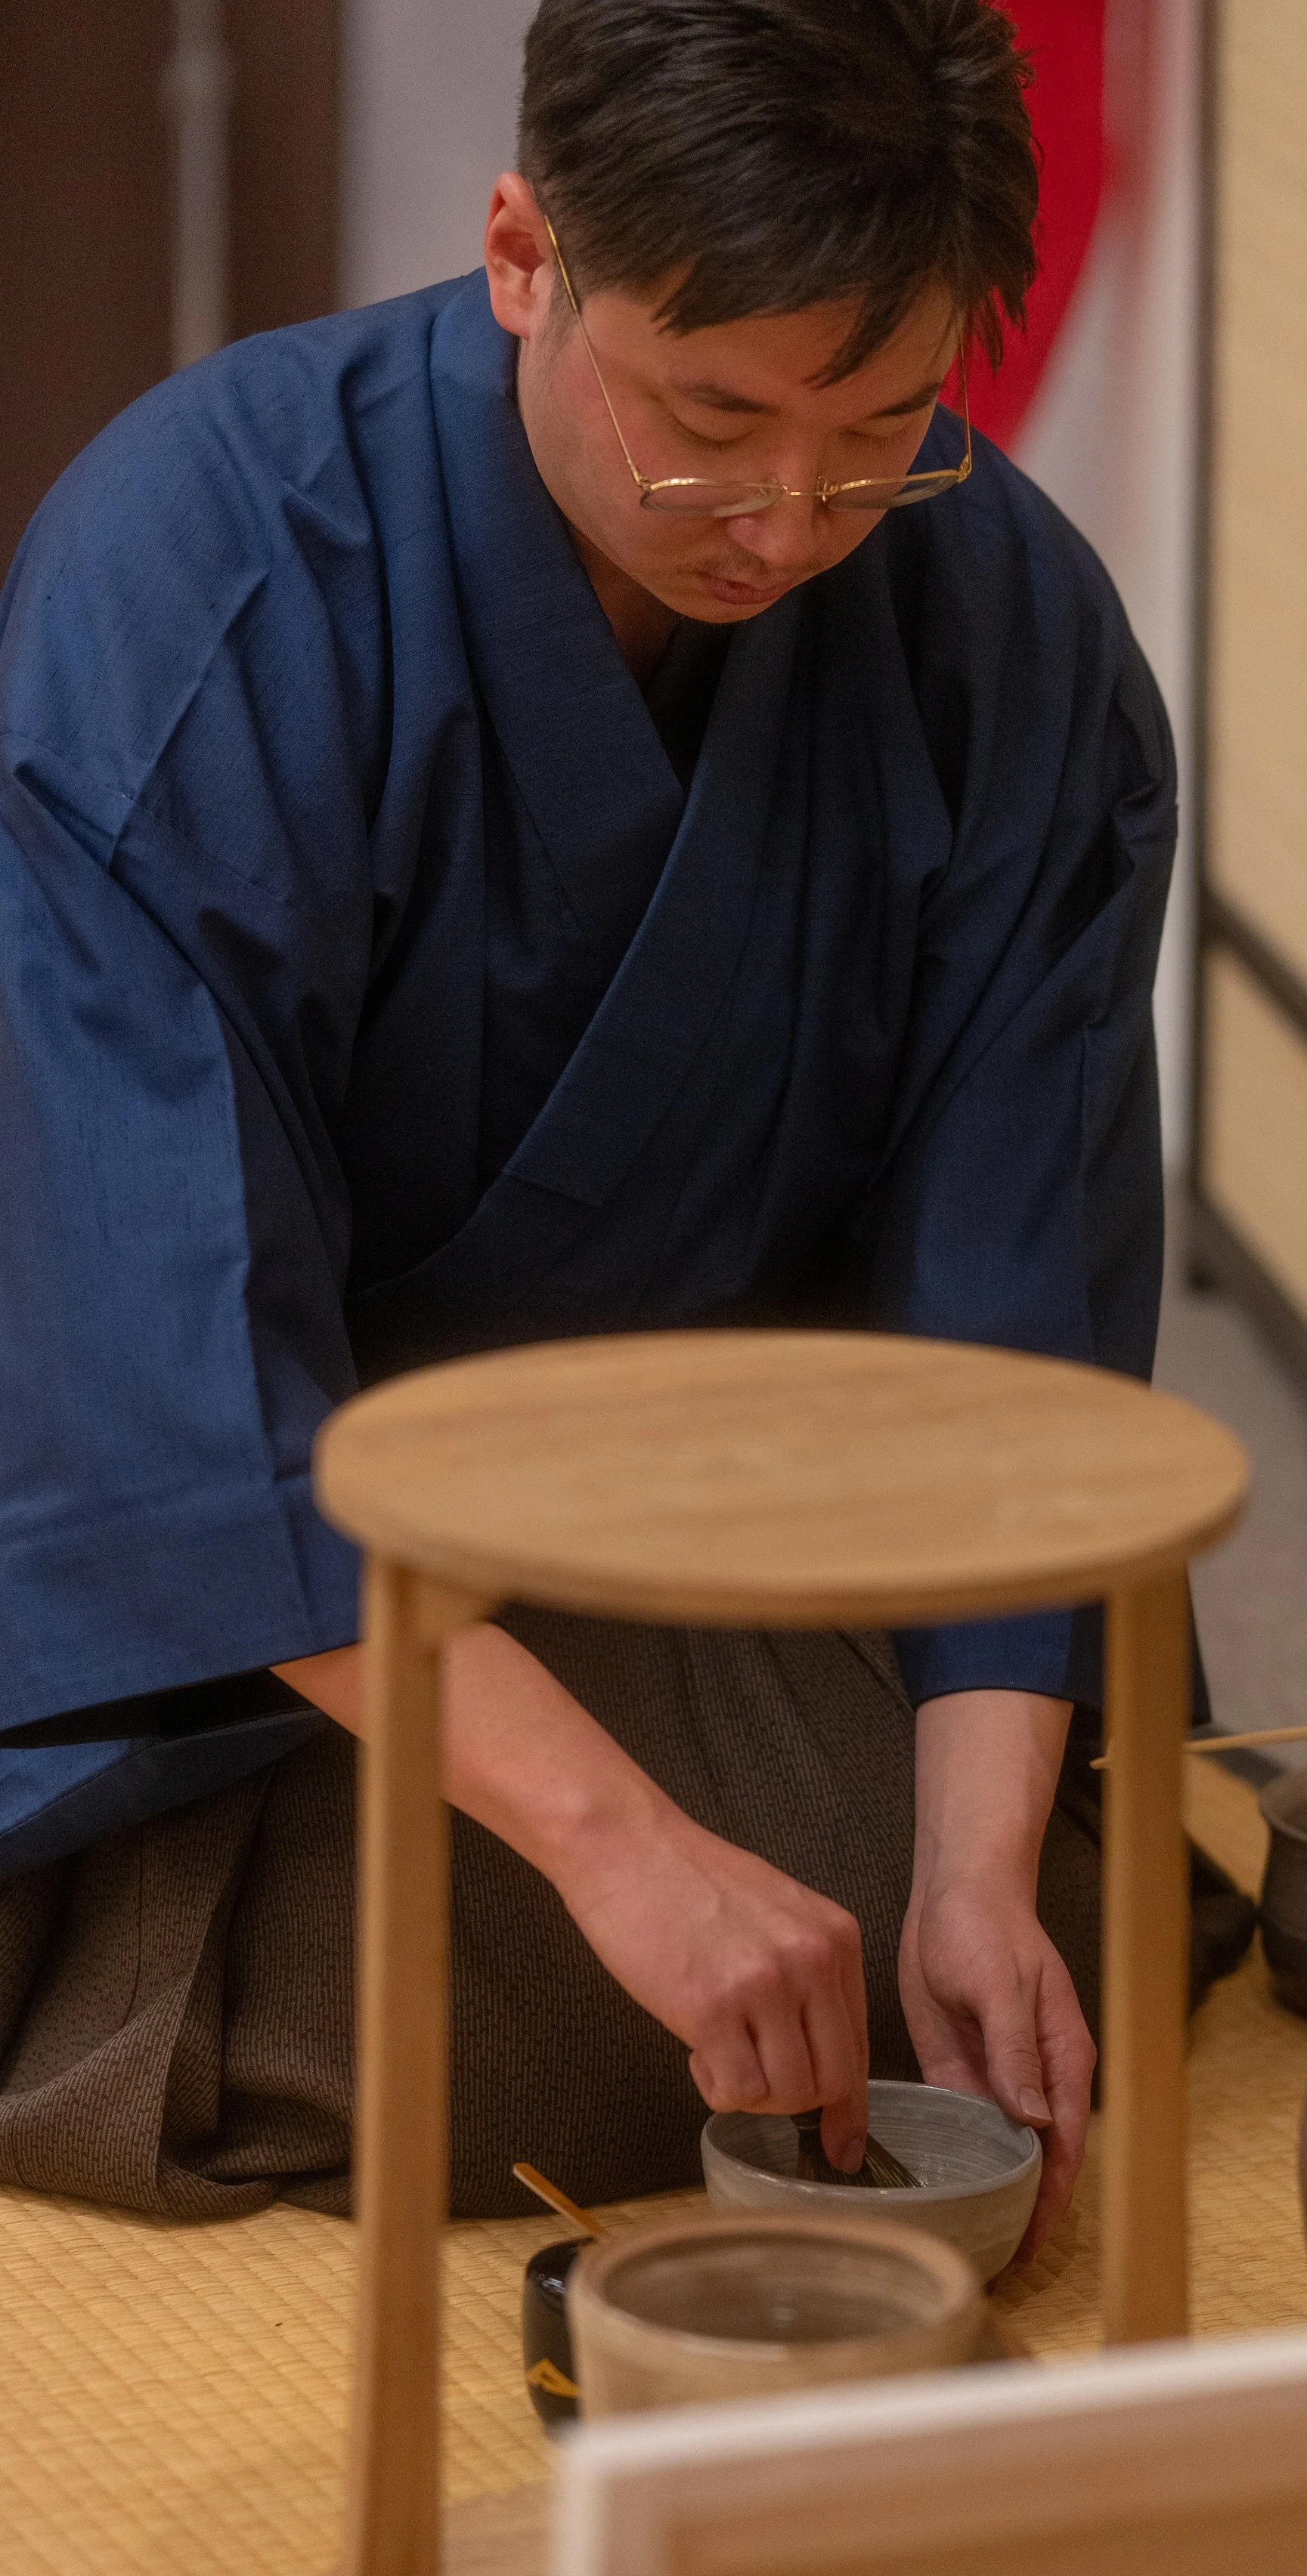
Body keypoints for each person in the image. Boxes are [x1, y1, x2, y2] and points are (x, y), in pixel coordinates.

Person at [0, 0, 1175, 2249]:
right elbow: (170, 1380)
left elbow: (1009, 1301)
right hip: (262, 1599)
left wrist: (976, 1856)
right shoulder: (199, 575)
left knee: (969, 1952)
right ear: (525, 250)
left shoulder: (999, 608)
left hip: (717, 1511)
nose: (786, 517)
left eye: (882, 427)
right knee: (570, 1989)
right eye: (710, 417)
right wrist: (619, 1838)